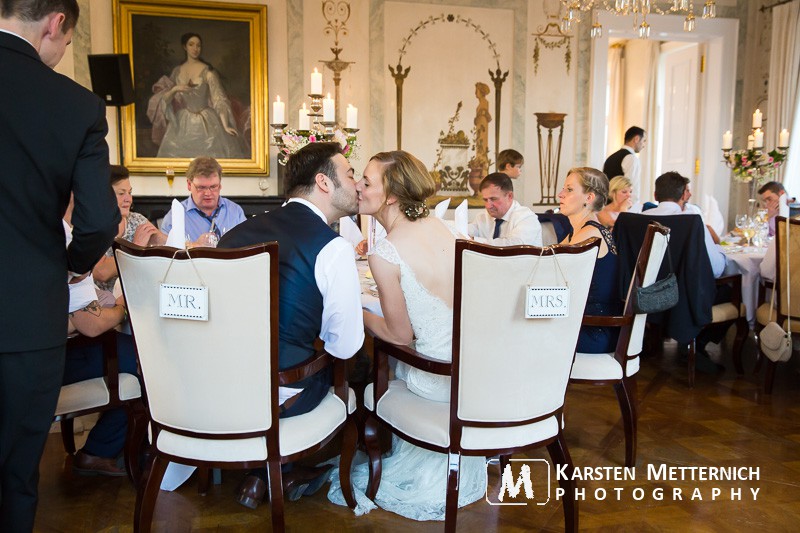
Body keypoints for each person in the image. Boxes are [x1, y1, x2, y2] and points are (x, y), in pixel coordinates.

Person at [1, 1, 120, 529]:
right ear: (56, 23)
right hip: (26, 310)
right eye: (67, 42)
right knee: (16, 471)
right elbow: (98, 220)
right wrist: (72, 268)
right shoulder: (76, 106)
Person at [327, 150, 486, 520]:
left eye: (367, 182)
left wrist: (360, 313)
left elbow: (399, 336)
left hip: (435, 378)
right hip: (471, 372)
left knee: (377, 364)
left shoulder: (386, 253)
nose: (357, 187)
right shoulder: (447, 229)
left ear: (392, 195)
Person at [218, 142, 364, 509]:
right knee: (347, 370)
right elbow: (344, 346)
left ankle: (265, 473)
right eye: (349, 174)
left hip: (221, 386)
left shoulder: (235, 234)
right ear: (324, 183)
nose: (356, 182)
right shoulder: (332, 247)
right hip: (283, 392)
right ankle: (278, 470)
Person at [63, 205, 137, 477]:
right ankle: (99, 452)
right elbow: (91, 325)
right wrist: (121, 308)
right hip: (58, 357)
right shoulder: (69, 240)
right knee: (149, 362)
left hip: (33, 352)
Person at [147, 32, 248, 159]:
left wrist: (226, 125)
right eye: (191, 45)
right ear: (185, 47)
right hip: (183, 122)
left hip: (207, 122)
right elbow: (165, 100)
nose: (195, 49)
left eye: (198, 45)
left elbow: (219, 99)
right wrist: (175, 89)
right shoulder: (177, 71)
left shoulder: (208, 72)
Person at [558, 168, 621, 354]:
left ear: (589, 197)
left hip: (595, 331)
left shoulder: (589, 235)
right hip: (584, 323)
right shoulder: (577, 232)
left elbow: (557, 280)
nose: (560, 194)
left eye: (569, 190)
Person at [93, 165, 166, 292]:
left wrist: (192, 245)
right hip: (103, 302)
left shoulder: (136, 220)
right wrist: (135, 247)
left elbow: (167, 244)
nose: (129, 199)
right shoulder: (93, 225)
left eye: (130, 192)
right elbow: (101, 273)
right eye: (121, 193)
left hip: (137, 293)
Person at [648, 172, 726, 278]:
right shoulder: (693, 222)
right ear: (684, 195)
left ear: (655, 195)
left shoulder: (635, 219)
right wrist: (719, 248)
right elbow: (716, 269)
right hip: (684, 291)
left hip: (642, 289)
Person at [161, 156, 246, 245]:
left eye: (213, 187)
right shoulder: (174, 217)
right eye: (201, 188)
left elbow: (248, 246)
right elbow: (166, 254)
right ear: (189, 185)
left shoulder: (236, 212)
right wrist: (193, 246)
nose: (208, 193)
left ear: (220, 185)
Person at [468, 172, 542, 246]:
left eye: (493, 199)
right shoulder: (482, 217)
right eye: (485, 200)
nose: (488, 206)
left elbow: (515, 245)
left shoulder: (526, 217)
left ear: (510, 196)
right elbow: (462, 233)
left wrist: (475, 241)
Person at [603, 126, 646, 202]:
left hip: (608, 204)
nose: (644, 145)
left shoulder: (610, 158)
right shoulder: (631, 158)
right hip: (622, 206)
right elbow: (631, 187)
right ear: (636, 139)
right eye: (644, 141)